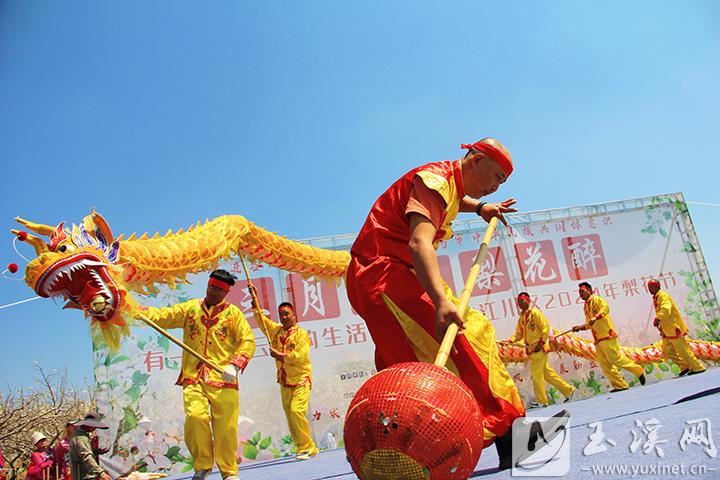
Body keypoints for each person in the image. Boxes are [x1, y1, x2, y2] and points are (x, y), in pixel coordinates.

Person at [346, 138, 568, 469]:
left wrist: (479, 208)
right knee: (463, 340)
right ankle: (510, 438)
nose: (495, 187)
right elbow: (420, 241)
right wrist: (439, 301)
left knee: (412, 360)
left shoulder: (445, 182)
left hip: (383, 275)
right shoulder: (433, 181)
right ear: (476, 160)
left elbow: (452, 200)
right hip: (384, 274)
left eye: (502, 184)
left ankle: (416, 453)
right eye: (496, 178)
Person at [141, 269, 255, 480]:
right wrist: (138, 311)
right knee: (195, 417)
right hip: (194, 376)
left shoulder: (233, 314)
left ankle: (229, 471)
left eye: (219, 290)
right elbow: (164, 316)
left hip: (224, 378)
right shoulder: (191, 309)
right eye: (212, 287)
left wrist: (235, 365)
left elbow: (247, 341)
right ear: (208, 286)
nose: (214, 292)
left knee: (225, 428)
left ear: (226, 293)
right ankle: (202, 465)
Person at [248, 286, 318, 460]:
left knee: (296, 412)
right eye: (281, 315)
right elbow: (261, 319)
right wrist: (255, 299)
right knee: (290, 417)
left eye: (287, 314)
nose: (284, 317)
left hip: (301, 379)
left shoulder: (301, 335)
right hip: (284, 381)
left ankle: (308, 447)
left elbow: (300, 357)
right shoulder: (276, 331)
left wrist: (280, 355)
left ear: (294, 315)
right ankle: (303, 447)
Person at [572, 282, 646, 392]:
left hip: (607, 335)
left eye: (582, 291)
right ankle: (620, 385)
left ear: (589, 290)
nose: (581, 294)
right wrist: (580, 327)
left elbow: (605, 309)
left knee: (615, 359)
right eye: (579, 293)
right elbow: (589, 324)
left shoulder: (597, 300)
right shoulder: (586, 306)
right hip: (598, 339)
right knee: (604, 364)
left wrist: (596, 317)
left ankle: (638, 370)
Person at [507, 292, 575, 407]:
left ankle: (542, 401)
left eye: (522, 300)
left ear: (528, 301)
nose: (520, 303)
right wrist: (510, 341)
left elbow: (545, 329)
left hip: (540, 349)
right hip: (532, 350)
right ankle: (568, 390)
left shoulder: (535, 313)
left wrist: (541, 343)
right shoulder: (522, 318)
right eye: (519, 301)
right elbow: (519, 335)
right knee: (548, 375)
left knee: (536, 374)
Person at [648, 279, 705, 376]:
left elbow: (666, 308)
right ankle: (684, 366)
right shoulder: (656, 297)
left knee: (683, 350)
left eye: (651, 287)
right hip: (667, 330)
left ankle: (697, 367)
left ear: (657, 287)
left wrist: (658, 318)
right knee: (667, 350)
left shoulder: (663, 296)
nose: (650, 289)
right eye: (649, 287)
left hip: (674, 329)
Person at [69, 413, 110, 480]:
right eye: (94, 427)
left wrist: (95, 451)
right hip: (82, 476)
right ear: (89, 425)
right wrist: (101, 472)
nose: (94, 429)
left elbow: (81, 452)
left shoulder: (80, 436)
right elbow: (86, 456)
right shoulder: (81, 438)